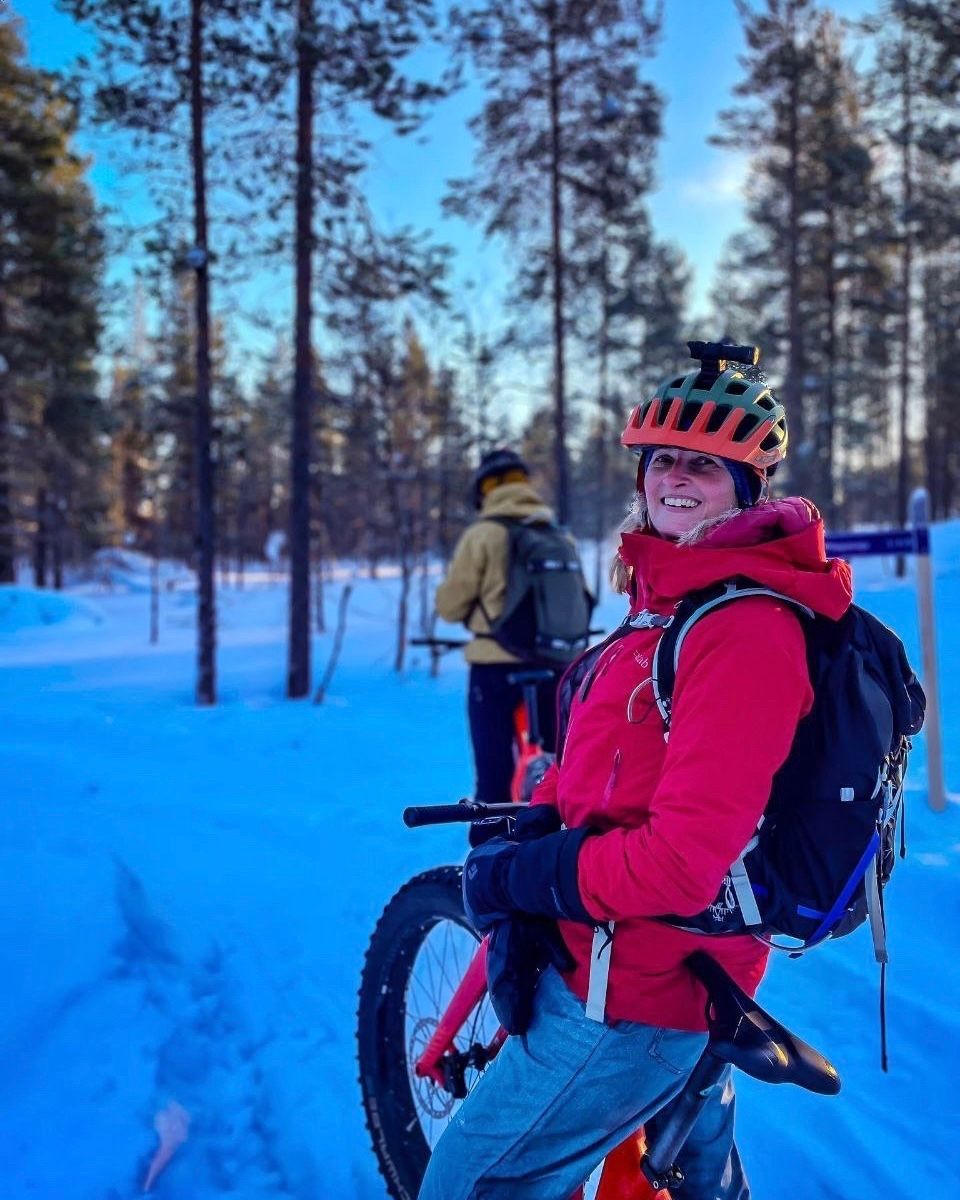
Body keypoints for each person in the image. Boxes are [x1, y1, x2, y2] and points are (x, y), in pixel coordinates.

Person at [418, 352, 853, 1200]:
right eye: (664, 461)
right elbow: (616, 755)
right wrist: (550, 813)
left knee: (465, 1187)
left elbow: (681, 861)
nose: (678, 479)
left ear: (747, 490)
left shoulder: (742, 629)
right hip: (631, 956)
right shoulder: (670, 600)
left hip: (636, 990)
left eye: (705, 465)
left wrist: (533, 874)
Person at [434, 448, 563, 805]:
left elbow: (449, 606)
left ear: (484, 490)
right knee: (559, 772)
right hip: (557, 667)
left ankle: (487, 852)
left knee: (493, 778)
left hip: (496, 669)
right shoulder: (556, 534)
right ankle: (554, 847)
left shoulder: (484, 535)